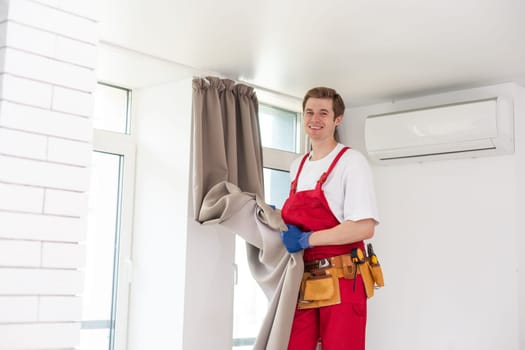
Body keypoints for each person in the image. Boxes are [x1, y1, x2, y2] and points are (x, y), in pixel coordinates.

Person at [279, 87, 379, 350]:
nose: (315, 119)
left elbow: (364, 227)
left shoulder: (351, 162)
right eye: (309, 112)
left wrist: (307, 239)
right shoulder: (297, 165)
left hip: (343, 277)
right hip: (304, 277)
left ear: (337, 119)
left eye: (324, 113)